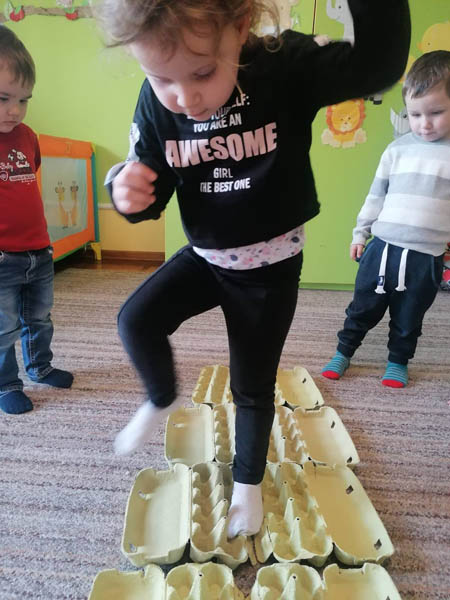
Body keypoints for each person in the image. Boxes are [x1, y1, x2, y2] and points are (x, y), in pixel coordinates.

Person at [95, 0, 410, 537]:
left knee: (251, 386)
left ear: (239, 29)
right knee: (135, 320)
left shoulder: (282, 65)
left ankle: (247, 486)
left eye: (202, 73)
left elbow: (376, 67)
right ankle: (160, 397)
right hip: (206, 257)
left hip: (269, 269)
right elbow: (151, 181)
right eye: (162, 79)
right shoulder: (158, 97)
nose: (184, 98)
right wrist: (126, 190)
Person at [322, 50, 450, 388]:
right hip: (382, 249)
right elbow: (376, 194)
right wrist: (359, 233)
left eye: (436, 113)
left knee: (409, 316)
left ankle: (397, 361)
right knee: (362, 307)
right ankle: (343, 352)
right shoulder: (397, 150)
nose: (424, 123)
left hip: (426, 258)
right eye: (415, 114)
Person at [0, 27, 73, 415]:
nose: (15, 110)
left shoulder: (27, 136)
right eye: (3, 99)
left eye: (24, 100)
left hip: (39, 250)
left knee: (40, 318)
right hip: (2, 257)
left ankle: (40, 367)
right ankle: (6, 384)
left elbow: (30, 177)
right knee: (3, 327)